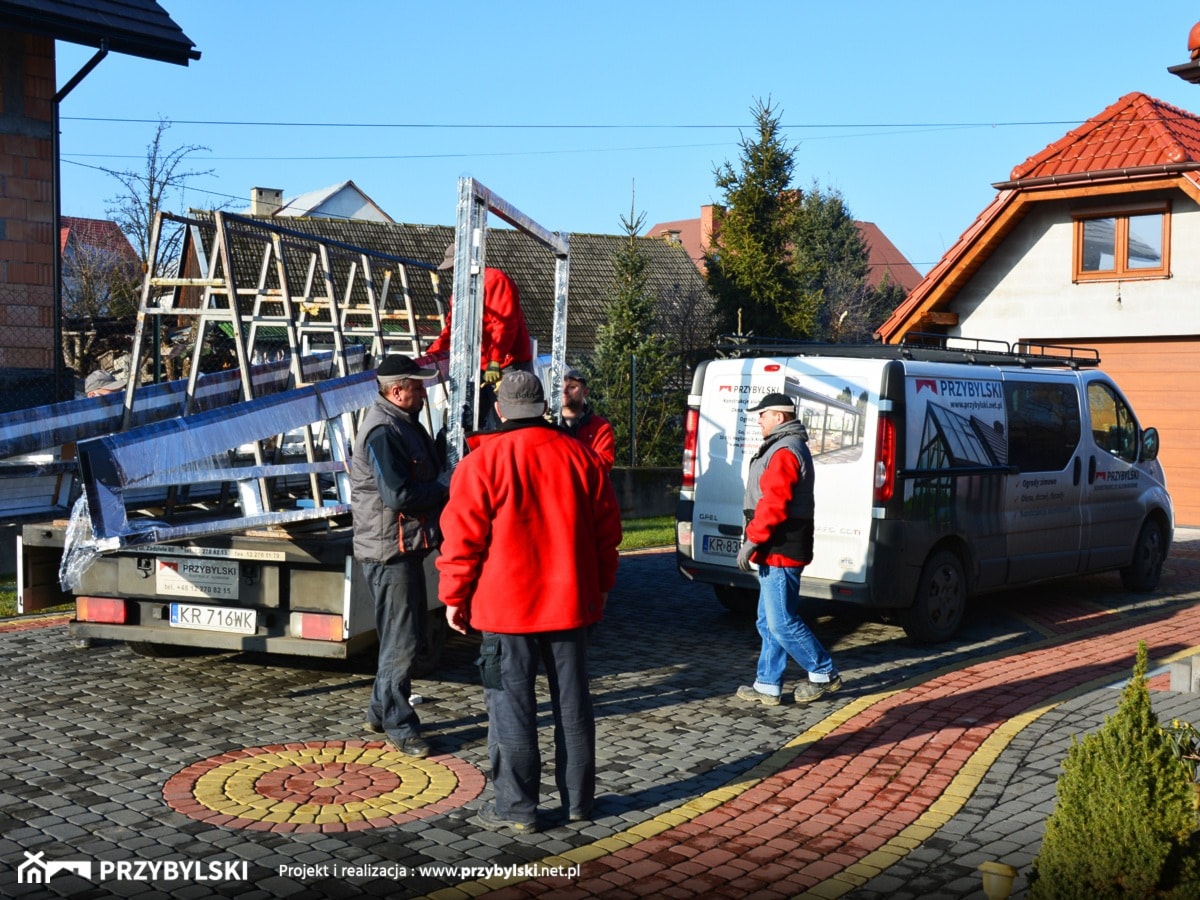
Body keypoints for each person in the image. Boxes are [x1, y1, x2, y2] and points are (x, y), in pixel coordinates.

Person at [438, 370, 622, 833]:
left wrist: (453, 597)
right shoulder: (581, 457)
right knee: (574, 706)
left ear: (499, 410)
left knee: (511, 708)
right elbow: (607, 534)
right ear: (543, 406)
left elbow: (461, 542)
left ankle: (518, 808)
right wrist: (601, 586)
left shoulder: (480, 464)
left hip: (505, 611)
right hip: (569, 605)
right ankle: (579, 802)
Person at [350, 353, 450, 758]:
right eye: (418, 385)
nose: (423, 391)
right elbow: (399, 495)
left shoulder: (405, 423)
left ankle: (379, 708)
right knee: (404, 641)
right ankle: (398, 722)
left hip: (403, 546)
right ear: (397, 391)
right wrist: (447, 486)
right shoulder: (382, 431)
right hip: (389, 552)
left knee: (399, 636)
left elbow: (423, 472)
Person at [735, 392, 842, 706]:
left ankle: (824, 672)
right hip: (777, 547)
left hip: (780, 547)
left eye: (763, 414)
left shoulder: (784, 451)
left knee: (781, 621)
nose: (759, 420)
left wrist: (752, 540)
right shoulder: (784, 447)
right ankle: (768, 684)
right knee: (768, 621)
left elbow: (774, 505)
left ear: (779, 417)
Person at [426, 243, 533, 429]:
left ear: (467, 263)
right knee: (474, 420)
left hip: (509, 364)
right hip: (482, 366)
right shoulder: (459, 293)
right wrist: (432, 353)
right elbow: (453, 328)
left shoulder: (495, 281)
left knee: (514, 418)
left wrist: (495, 361)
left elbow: (505, 325)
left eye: (453, 268)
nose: (452, 274)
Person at [559, 368, 616, 473]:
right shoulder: (548, 423)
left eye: (572, 387)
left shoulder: (600, 427)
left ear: (585, 391)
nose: (565, 391)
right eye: (561, 387)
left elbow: (604, 463)